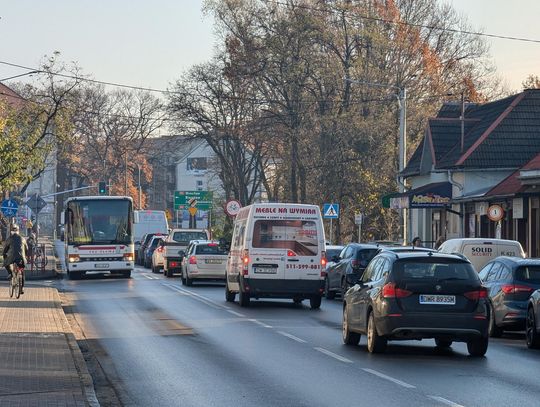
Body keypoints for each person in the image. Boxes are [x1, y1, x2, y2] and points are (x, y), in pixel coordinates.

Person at [2, 224, 28, 293]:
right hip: (21, 259)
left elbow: (5, 250)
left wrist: (4, 256)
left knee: (6, 263)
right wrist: (25, 257)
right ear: (18, 231)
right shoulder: (23, 238)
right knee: (22, 271)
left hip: (11, 258)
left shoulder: (9, 239)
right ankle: (22, 288)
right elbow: (26, 249)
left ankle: (10, 273)